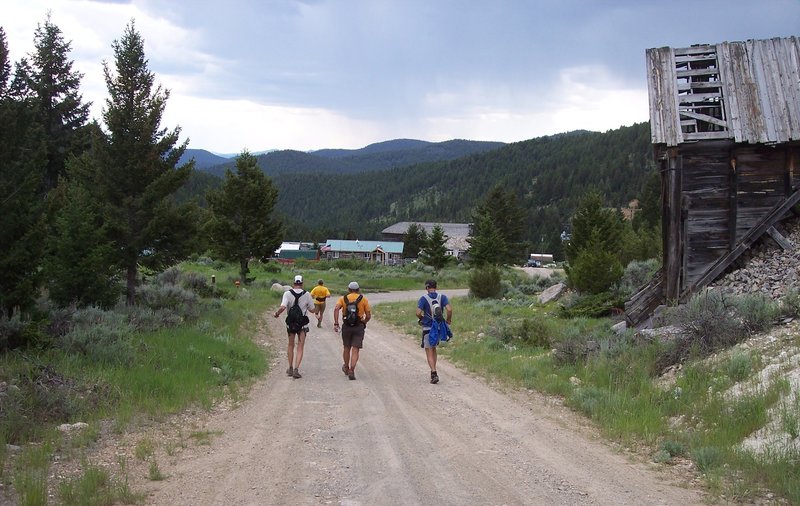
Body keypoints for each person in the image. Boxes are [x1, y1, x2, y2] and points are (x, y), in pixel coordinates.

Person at [273, 275, 317, 379]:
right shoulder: (307, 294)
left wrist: (277, 314)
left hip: (291, 324)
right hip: (302, 325)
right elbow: (312, 309)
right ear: (302, 283)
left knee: (290, 345)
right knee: (300, 346)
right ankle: (297, 369)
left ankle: (290, 368)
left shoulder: (287, 293)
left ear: (294, 283)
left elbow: (283, 307)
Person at [415, 279, 452, 384]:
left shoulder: (423, 298)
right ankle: (434, 369)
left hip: (427, 328)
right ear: (436, 287)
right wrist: (448, 319)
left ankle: (433, 372)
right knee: (434, 348)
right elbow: (449, 309)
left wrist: (422, 318)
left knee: (428, 350)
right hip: (438, 328)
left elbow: (417, 312)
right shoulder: (442, 297)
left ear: (426, 288)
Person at [333, 281, 371, 380]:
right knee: (355, 349)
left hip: (347, 326)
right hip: (359, 326)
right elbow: (368, 315)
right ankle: (352, 370)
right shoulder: (364, 299)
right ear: (358, 290)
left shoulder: (343, 299)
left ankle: (346, 366)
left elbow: (336, 309)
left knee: (346, 347)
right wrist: (364, 322)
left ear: (349, 289)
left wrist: (336, 323)